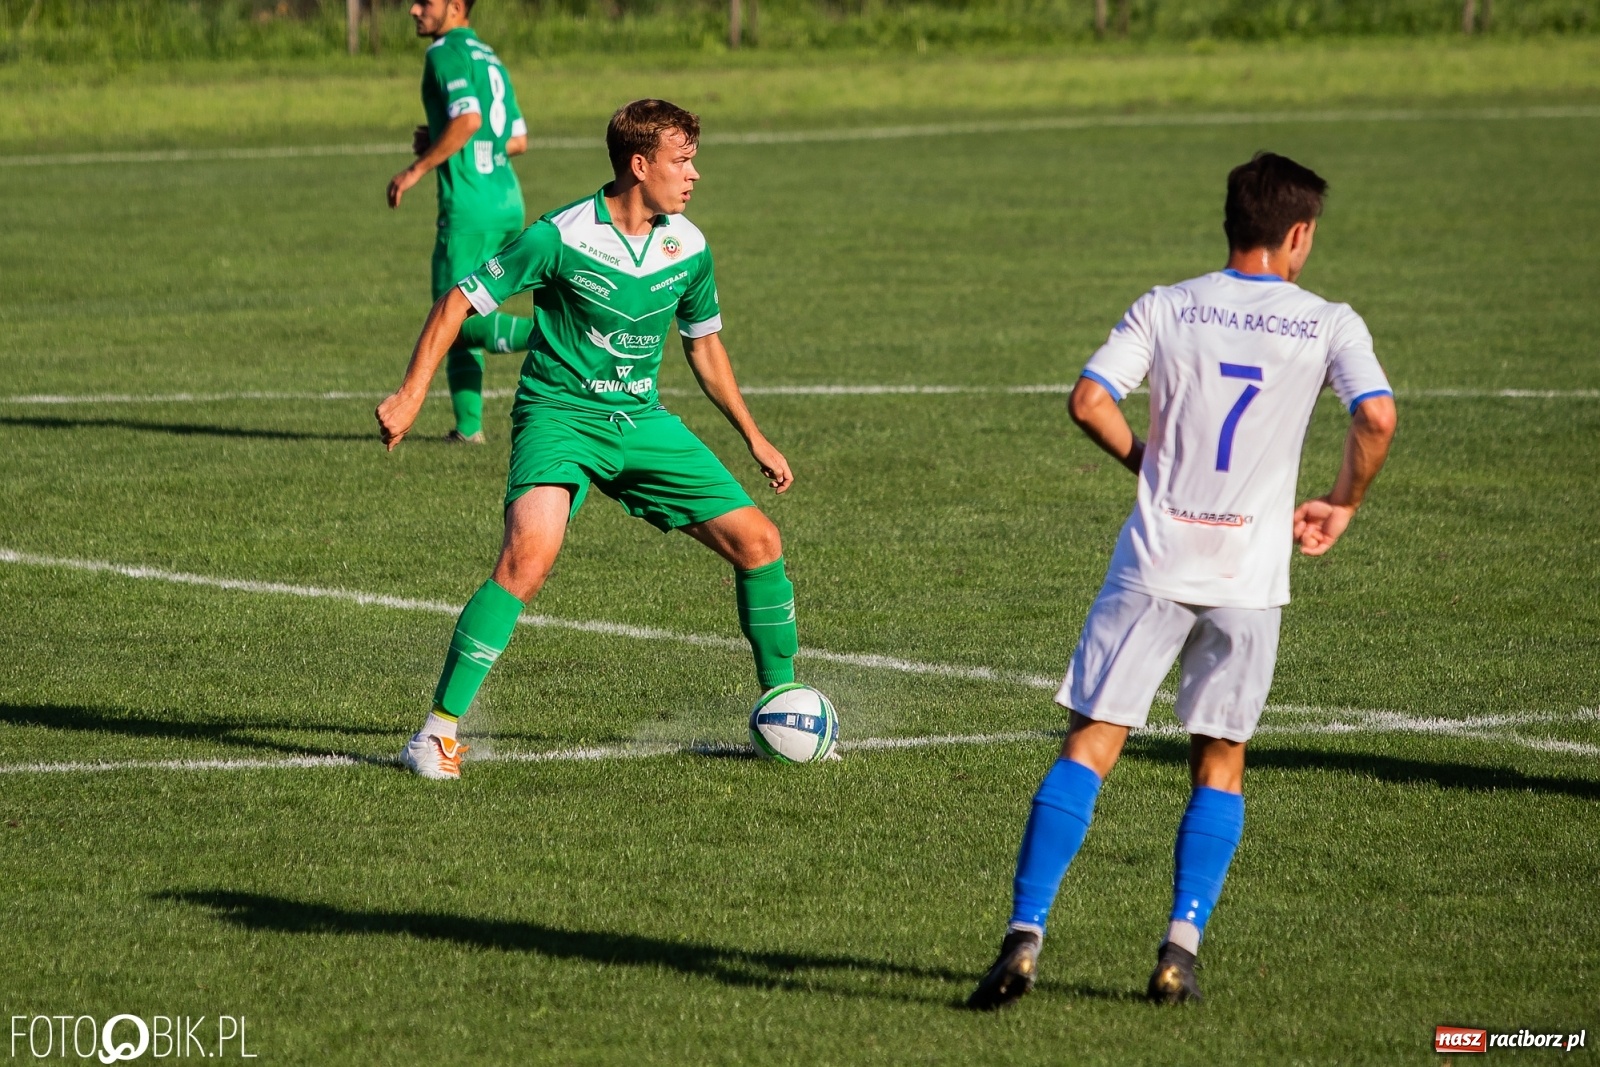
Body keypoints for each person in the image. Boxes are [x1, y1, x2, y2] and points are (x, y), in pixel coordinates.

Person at [967, 152, 1398, 1009]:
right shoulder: (1329, 321)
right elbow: (1376, 415)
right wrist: (1343, 500)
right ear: (1299, 234)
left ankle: (1024, 934)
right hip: (1248, 573)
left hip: (1155, 559)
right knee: (1220, 759)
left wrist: (1146, 463)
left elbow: (1090, 397)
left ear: (1231, 222)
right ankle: (1179, 948)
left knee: (1092, 742)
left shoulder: (1166, 305)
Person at [376, 99, 801, 780]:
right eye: (681, 160)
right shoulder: (560, 235)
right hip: (560, 418)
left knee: (760, 543)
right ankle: (436, 733)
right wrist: (411, 392)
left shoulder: (687, 245)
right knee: (528, 555)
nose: (694, 174)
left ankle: (782, 706)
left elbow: (705, 345)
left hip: (641, 419)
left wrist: (755, 436)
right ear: (640, 165)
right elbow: (459, 301)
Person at [387, 0, 536, 444]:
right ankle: (468, 428)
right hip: (507, 199)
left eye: (426, 2)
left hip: (470, 207)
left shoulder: (443, 53)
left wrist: (416, 168)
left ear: (455, 7)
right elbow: (517, 139)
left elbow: (469, 120)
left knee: (449, 314)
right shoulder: (488, 55)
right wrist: (440, 139)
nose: (414, 9)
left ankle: (552, 335)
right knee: (470, 305)